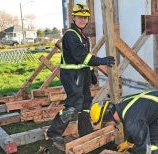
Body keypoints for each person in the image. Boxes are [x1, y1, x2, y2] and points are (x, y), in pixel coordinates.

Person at [46, 3, 115, 143]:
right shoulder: (71, 35)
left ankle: (85, 131)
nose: (83, 20)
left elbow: (84, 60)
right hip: (72, 75)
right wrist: (101, 61)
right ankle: (53, 132)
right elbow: (82, 57)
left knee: (86, 103)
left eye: (85, 17)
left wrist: (90, 73)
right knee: (74, 105)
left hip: (81, 73)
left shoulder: (82, 35)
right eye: (79, 17)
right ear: (73, 17)